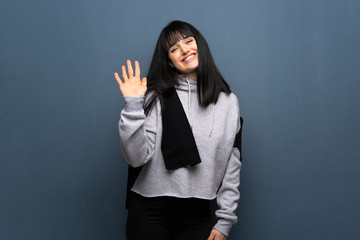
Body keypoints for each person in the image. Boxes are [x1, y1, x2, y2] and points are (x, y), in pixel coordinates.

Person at [114, 20, 242, 240]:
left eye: (189, 41)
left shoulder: (228, 102)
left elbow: (232, 163)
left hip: (197, 213)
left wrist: (225, 221)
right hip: (149, 210)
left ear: (199, 45)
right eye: (174, 49)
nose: (184, 50)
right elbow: (136, 158)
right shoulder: (155, 97)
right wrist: (133, 104)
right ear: (170, 62)